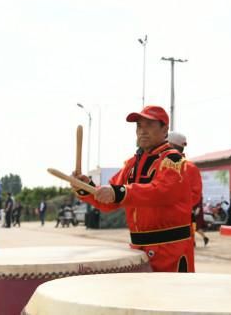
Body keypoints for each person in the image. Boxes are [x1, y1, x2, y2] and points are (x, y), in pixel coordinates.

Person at [73, 105, 194, 272]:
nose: (143, 131)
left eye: (149, 125)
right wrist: (86, 187)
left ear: (165, 129)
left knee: (171, 297)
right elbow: (110, 201)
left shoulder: (173, 160)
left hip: (170, 251)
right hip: (139, 250)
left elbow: (161, 192)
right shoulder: (131, 164)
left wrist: (120, 192)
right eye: (139, 126)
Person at [167, 131, 209, 248]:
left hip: (178, 225)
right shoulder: (159, 165)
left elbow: (194, 196)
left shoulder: (188, 168)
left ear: (170, 145)